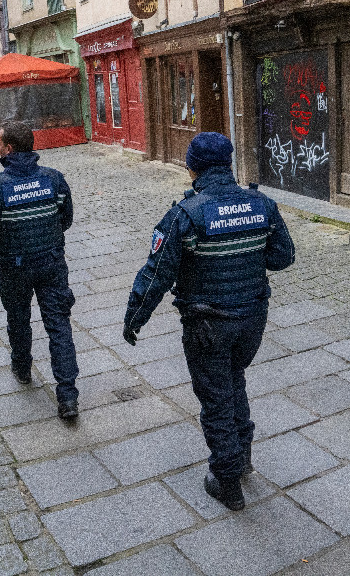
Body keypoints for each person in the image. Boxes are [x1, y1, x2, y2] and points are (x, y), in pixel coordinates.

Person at [123, 132, 295, 510]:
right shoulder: (262, 203)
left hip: (207, 325)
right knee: (234, 379)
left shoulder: (185, 214)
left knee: (216, 397)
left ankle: (227, 480)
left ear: (191, 168)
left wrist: (135, 317)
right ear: (228, 164)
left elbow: (156, 275)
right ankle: (244, 455)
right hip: (252, 318)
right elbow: (283, 257)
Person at [0, 121, 80, 419]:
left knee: (18, 319)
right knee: (59, 325)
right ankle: (68, 396)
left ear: (8, 148)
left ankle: (22, 368)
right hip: (51, 264)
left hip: (14, 268)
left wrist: (6, 237)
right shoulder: (55, 180)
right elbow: (66, 220)